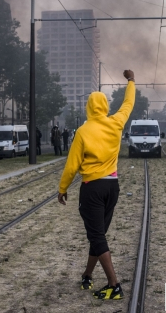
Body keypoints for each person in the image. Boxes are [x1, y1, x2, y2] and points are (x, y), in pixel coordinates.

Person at [57, 69, 135, 301]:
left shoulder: (82, 132)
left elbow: (72, 166)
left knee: (97, 236)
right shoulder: (116, 123)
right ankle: (87, 275)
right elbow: (128, 103)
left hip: (92, 188)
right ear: (106, 107)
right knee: (97, 234)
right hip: (112, 187)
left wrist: (63, 188)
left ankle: (114, 284)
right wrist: (131, 80)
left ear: (88, 108)